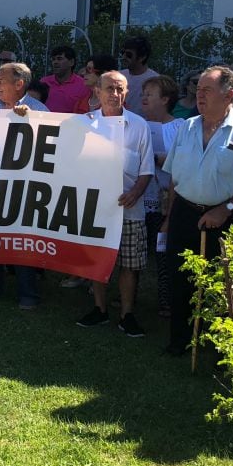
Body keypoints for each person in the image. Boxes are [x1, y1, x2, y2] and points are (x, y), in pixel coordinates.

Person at [161, 65, 233, 356]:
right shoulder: (186, 128)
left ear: (230, 95)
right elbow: (175, 177)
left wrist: (226, 209)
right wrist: (168, 216)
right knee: (181, 278)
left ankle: (224, 347)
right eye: (198, 89)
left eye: (207, 90)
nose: (199, 94)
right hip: (185, 213)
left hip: (229, 218)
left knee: (227, 284)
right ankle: (181, 340)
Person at [76, 72, 154, 337]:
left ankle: (127, 314)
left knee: (129, 264)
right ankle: (99, 308)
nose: (114, 94)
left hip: (130, 207)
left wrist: (136, 192)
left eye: (120, 89)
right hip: (95, 207)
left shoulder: (140, 125)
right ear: (97, 91)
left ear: (126, 91)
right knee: (96, 260)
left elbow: (147, 169)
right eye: (109, 88)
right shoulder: (84, 124)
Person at [0, 62, 48, 305]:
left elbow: (51, 146)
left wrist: (31, 121)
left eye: (0, 80)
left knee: (22, 239)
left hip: (23, 187)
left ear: (19, 84)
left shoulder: (39, 110)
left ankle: (28, 294)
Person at [140, 75, 183, 318]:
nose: (144, 97)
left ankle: (167, 299)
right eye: (143, 93)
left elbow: (181, 161)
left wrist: (155, 159)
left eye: (150, 94)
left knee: (164, 253)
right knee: (136, 249)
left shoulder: (180, 128)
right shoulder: (139, 124)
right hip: (140, 197)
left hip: (168, 199)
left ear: (165, 99)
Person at [41, 46, 90, 113]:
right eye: (53, 59)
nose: (55, 62)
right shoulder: (43, 82)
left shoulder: (83, 85)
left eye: (59, 59)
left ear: (71, 62)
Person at [119, 36, 158, 112]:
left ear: (142, 57)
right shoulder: (118, 77)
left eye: (129, 55)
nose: (123, 57)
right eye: (122, 53)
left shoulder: (155, 81)